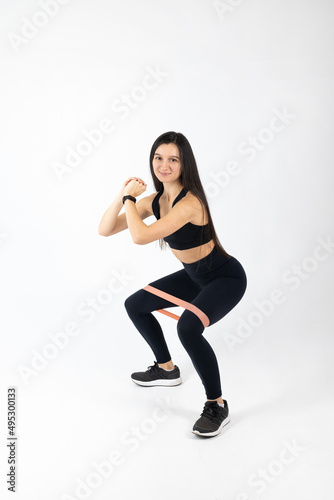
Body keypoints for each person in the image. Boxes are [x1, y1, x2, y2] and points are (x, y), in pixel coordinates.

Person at [98, 131, 247, 437]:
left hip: (225, 277)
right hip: (194, 276)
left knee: (188, 327)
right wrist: (122, 194)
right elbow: (105, 228)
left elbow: (139, 237)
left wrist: (130, 198)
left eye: (173, 160)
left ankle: (217, 404)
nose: (164, 165)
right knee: (136, 305)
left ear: (184, 165)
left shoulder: (190, 203)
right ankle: (167, 369)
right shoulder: (155, 201)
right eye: (158, 158)